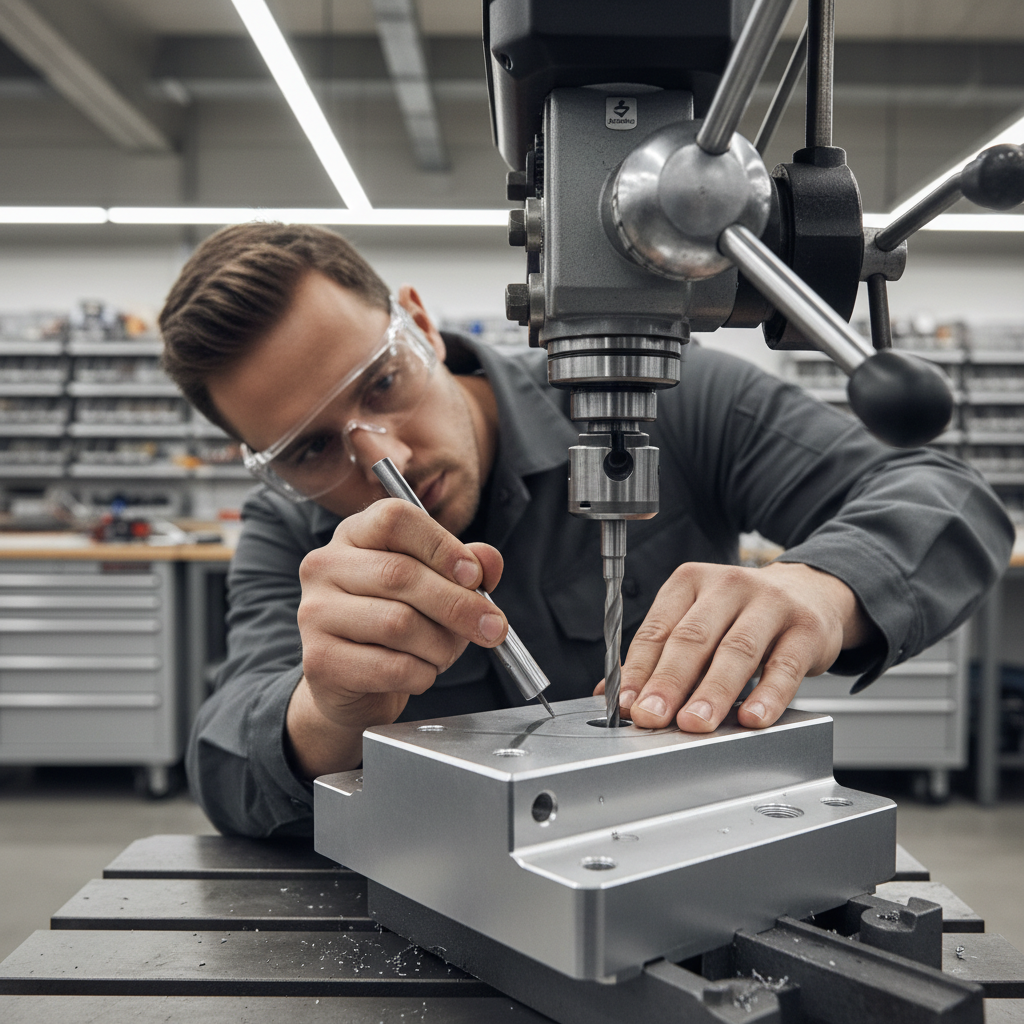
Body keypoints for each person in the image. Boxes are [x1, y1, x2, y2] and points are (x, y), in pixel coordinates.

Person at [160, 223, 1013, 837]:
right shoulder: (292, 524)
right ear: (262, 462)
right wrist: (321, 714)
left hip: (682, 867)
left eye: (381, 384)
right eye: (312, 448)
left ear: (418, 323)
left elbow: (947, 496)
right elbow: (225, 761)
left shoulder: (676, 406)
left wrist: (821, 590)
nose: (385, 458)